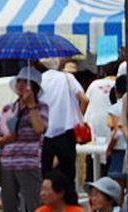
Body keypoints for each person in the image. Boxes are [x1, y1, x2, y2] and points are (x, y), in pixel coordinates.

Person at [0, 66, 48, 212]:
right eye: (19, 82)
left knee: (33, 203)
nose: (21, 85)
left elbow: (40, 129)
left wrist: (31, 106)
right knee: (9, 205)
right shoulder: (9, 108)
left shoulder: (41, 107)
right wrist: (5, 140)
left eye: (26, 82)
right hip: (8, 163)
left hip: (28, 163)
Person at [38, 57, 89, 186]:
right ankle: (68, 200)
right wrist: (79, 117)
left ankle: (49, 201)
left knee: (46, 173)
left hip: (45, 132)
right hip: (67, 130)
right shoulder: (67, 78)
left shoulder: (39, 80)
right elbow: (85, 100)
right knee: (68, 173)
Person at [106, 75, 127, 181]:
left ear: (116, 91)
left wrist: (109, 149)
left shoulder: (115, 109)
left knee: (117, 188)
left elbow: (117, 134)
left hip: (119, 152)